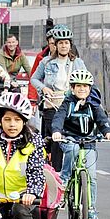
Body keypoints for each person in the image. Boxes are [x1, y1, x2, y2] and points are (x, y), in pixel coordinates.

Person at [51, 70, 110, 219]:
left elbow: (102, 119)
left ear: (90, 88)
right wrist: (56, 131)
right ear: (72, 88)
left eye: (85, 87)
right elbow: (59, 117)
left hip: (88, 141)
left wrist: (108, 133)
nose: (82, 89)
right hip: (69, 138)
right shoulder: (68, 103)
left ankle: (91, 210)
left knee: (91, 176)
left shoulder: (93, 104)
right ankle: (65, 181)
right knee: (72, 150)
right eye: (78, 86)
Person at [31, 25, 86, 170]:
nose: (63, 46)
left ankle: (77, 169)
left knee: (76, 137)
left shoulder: (78, 63)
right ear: (55, 45)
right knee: (57, 141)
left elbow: (87, 82)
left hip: (72, 105)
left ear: (70, 45)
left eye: (66, 43)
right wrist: (43, 88)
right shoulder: (46, 62)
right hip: (52, 105)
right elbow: (34, 79)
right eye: (60, 43)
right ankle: (57, 174)